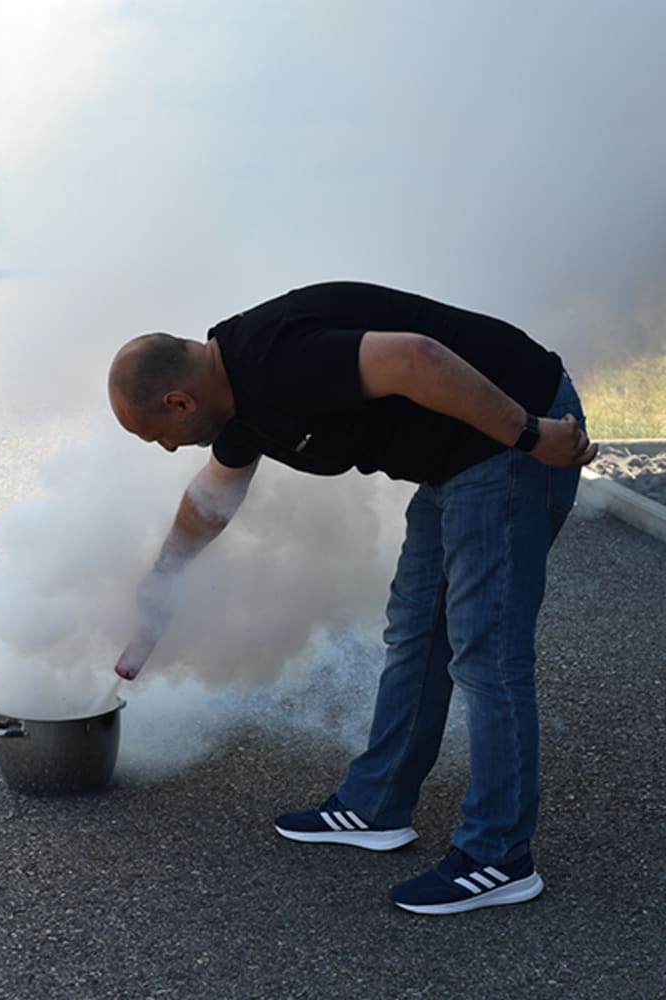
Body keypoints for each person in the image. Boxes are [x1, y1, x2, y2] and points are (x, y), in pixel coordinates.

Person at [107, 281, 597, 916]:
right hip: (456, 461)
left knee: (488, 651)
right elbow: (212, 497)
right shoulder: (238, 397)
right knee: (417, 632)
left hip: (510, 436)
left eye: (160, 436)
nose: (170, 447)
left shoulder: (277, 361)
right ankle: (376, 805)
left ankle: (499, 857)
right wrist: (163, 579)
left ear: (179, 401)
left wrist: (530, 435)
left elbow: (415, 357)